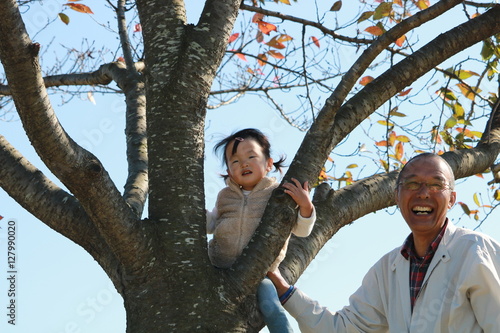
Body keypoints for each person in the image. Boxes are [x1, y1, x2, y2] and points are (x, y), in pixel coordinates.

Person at [268, 153, 500, 332]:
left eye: (436, 185)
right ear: (397, 197)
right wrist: (284, 290)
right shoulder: (386, 272)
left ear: (451, 199)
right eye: (411, 184)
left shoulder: (474, 250)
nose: (423, 193)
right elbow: (343, 329)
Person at [206, 128, 316, 333]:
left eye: (251, 156)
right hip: (219, 268)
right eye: (235, 161)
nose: (244, 163)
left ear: (268, 164)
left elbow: (302, 231)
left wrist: (306, 207)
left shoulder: (277, 195)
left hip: (261, 272)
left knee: (272, 308)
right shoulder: (224, 196)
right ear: (229, 171)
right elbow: (212, 223)